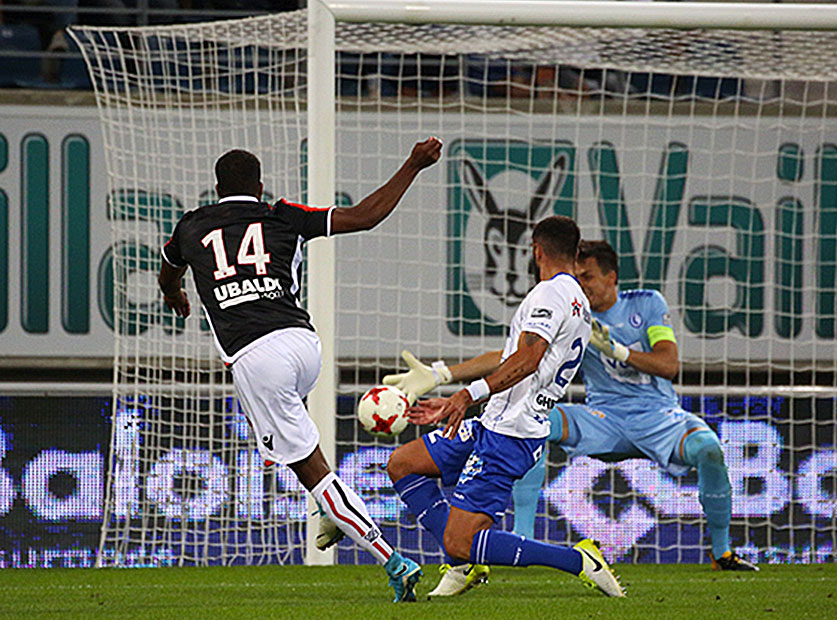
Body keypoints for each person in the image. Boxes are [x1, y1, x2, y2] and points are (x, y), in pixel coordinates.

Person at [158, 138, 442, 602]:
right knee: (304, 452)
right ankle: (333, 508)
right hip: (304, 346)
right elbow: (366, 216)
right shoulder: (282, 216)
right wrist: (412, 164)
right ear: (260, 188)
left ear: (217, 189)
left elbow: (168, 269)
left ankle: (392, 559)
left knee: (313, 473)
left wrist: (174, 295)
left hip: (257, 358)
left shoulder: (191, 227)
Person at [428, 239, 758, 595]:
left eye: (588, 276)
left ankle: (722, 552)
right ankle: (523, 534)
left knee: (708, 449)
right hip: (602, 418)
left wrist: (617, 350)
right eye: (578, 275)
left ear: (611, 277)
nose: (581, 283)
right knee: (533, 422)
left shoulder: (647, 303)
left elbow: (669, 364)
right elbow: (512, 356)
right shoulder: (576, 311)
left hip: (659, 417)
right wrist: (442, 375)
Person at [379, 216, 626, 599]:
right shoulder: (576, 300)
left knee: (460, 541)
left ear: (536, 251)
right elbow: (511, 356)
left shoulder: (549, 294)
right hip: (495, 424)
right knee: (403, 463)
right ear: (576, 253)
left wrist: (468, 394)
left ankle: (577, 560)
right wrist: (442, 375)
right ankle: (464, 562)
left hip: (510, 434)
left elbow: (528, 359)